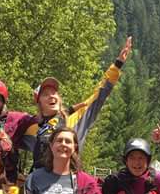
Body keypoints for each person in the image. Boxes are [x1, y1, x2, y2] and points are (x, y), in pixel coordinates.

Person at [24, 37, 133, 170]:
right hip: (38, 184)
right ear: (39, 103)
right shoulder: (31, 127)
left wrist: (117, 65)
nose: (51, 96)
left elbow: (99, 93)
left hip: (67, 182)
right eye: (45, 94)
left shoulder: (75, 119)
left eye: (54, 92)